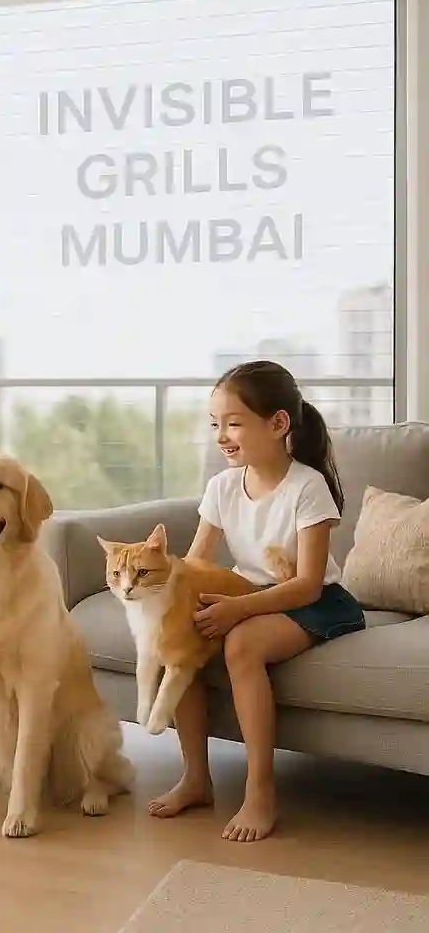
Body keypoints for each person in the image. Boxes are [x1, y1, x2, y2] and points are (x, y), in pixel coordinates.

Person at [148, 360, 365, 843]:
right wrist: (167, 604)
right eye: (215, 425)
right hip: (249, 592)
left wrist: (237, 610)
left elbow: (308, 584)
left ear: (278, 424)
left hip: (314, 600)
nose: (221, 435)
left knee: (241, 645)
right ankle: (196, 778)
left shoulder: (307, 486)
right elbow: (196, 562)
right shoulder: (223, 486)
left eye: (233, 423)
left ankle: (260, 789)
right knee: (181, 638)